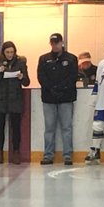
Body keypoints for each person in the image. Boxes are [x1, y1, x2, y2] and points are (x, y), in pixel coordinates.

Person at [37, 32, 78, 165]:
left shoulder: (71, 59)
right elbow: (41, 77)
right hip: (49, 98)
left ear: (62, 43)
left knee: (66, 127)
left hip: (66, 98)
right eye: (52, 43)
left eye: (57, 43)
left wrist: (61, 88)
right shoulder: (44, 59)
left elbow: (72, 77)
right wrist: (51, 89)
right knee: (49, 128)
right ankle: (48, 155)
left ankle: (67, 155)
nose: (55, 46)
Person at [0, 40, 30, 164]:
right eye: (7, 52)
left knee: (15, 127)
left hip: (15, 98)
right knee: (0, 128)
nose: (10, 54)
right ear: (3, 52)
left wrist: (22, 77)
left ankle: (16, 152)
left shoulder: (21, 62)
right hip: (0, 99)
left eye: (12, 52)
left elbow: (26, 82)